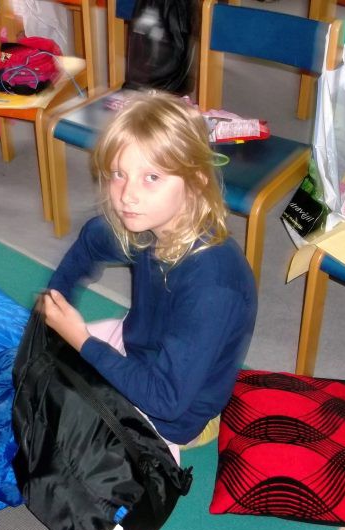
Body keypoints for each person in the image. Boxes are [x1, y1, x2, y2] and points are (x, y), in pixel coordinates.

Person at [40, 92, 257, 459]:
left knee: (57, 439)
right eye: (119, 174)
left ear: (195, 181)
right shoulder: (148, 223)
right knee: (38, 371)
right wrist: (56, 299)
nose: (128, 196)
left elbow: (167, 400)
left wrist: (83, 342)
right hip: (138, 350)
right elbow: (91, 241)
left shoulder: (214, 284)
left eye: (151, 177)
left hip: (174, 414)